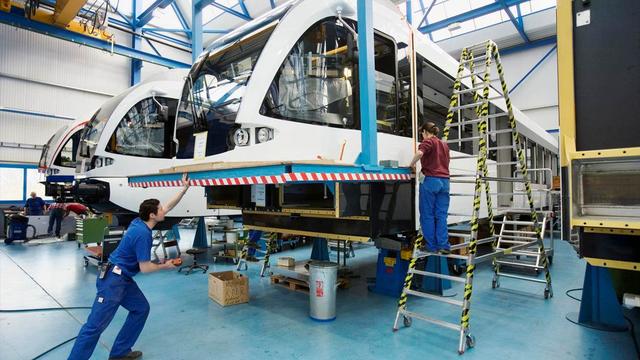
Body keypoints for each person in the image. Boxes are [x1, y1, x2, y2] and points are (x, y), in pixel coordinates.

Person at [69, 174, 191, 360]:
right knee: (94, 327)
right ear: (152, 215)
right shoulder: (143, 234)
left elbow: (168, 206)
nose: (163, 211)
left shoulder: (139, 221)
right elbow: (145, 268)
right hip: (113, 281)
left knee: (141, 309)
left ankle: (119, 353)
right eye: (159, 209)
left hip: (123, 279)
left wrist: (183, 189)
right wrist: (165, 265)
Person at [410, 122, 451, 254]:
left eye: (422, 134)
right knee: (441, 215)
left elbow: (420, 153)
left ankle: (432, 246)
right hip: (445, 182)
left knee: (427, 215)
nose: (422, 137)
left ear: (425, 132)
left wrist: (411, 164)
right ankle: (443, 246)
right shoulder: (444, 145)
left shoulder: (428, 142)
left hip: (431, 180)